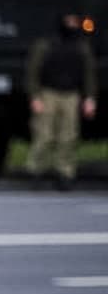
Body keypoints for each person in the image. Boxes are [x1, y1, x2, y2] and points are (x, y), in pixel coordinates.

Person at [26, 12, 98, 190]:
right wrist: (35, 96)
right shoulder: (46, 45)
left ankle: (65, 173)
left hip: (71, 95)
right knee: (44, 135)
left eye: (75, 21)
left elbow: (89, 75)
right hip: (48, 93)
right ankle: (36, 171)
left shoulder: (81, 47)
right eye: (68, 21)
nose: (71, 25)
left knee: (68, 137)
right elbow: (33, 72)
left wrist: (90, 98)